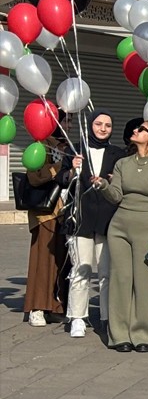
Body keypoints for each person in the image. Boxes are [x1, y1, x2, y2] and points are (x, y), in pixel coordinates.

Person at [102, 120, 148, 352]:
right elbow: (116, 196)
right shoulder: (123, 163)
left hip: (147, 229)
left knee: (144, 283)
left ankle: (144, 334)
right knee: (120, 280)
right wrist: (103, 185)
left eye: (142, 129)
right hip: (119, 228)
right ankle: (119, 334)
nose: (135, 130)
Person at [67, 109, 125, 338]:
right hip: (83, 220)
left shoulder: (118, 154)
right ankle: (78, 317)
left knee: (105, 273)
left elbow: (122, 187)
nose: (103, 129)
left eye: (108, 125)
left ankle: (106, 317)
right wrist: (73, 169)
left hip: (108, 221)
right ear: (90, 125)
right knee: (80, 270)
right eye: (99, 124)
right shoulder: (77, 151)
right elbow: (63, 180)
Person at [24, 121, 74, 327]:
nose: (68, 126)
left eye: (70, 121)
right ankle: (37, 307)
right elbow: (34, 177)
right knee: (43, 262)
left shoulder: (67, 146)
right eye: (64, 121)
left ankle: (56, 306)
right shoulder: (41, 145)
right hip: (46, 213)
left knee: (62, 262)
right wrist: (58, 168)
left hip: (66, 211)